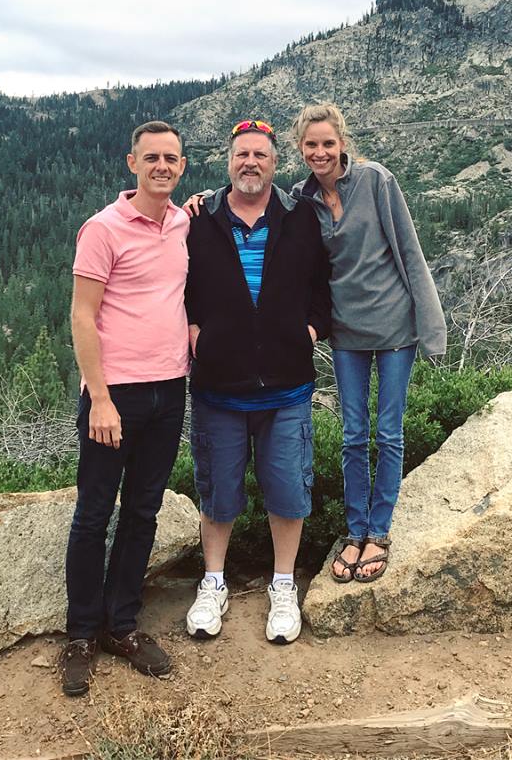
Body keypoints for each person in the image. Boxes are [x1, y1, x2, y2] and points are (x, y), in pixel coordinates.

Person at [184, 119, 330, 645]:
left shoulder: (300, 219)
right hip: (218, 386)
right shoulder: (198, 219)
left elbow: (324, 282)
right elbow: (176, 282)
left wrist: (312, 328)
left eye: (261, 155)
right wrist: (194, 330)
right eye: (242, 154)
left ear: (275, 164)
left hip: (286, 386)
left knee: (288, 491)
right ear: (229, 162)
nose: (251, 162)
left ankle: (284, 584)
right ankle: (214, 581)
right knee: (218, 492)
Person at [290, 103, 446, 585]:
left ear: (342, 144)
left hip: (396, 327)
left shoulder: (376, 181)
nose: (320, 152)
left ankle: (379, 532)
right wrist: (204, 198)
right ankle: (355, 532)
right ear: (301, 149)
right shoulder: (301, 198)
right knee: (354, 435)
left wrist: (431, 325)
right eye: (311, 145)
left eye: (328, 143)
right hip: (347, 332)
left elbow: (409, 249)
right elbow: (251, 203)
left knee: (389, 432)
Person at [60, 121, 190, 697]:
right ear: (132, 162)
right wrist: (101, 398)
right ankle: (82, 634)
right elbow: (82, 317)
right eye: (152, 158)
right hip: (116, 397)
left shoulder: (184, 222)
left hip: (170, 390)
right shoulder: (103, 228)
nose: (162, 166)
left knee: (143, 511)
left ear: (182, 166)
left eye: (172, 158)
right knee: (93, 514)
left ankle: (123, 626)